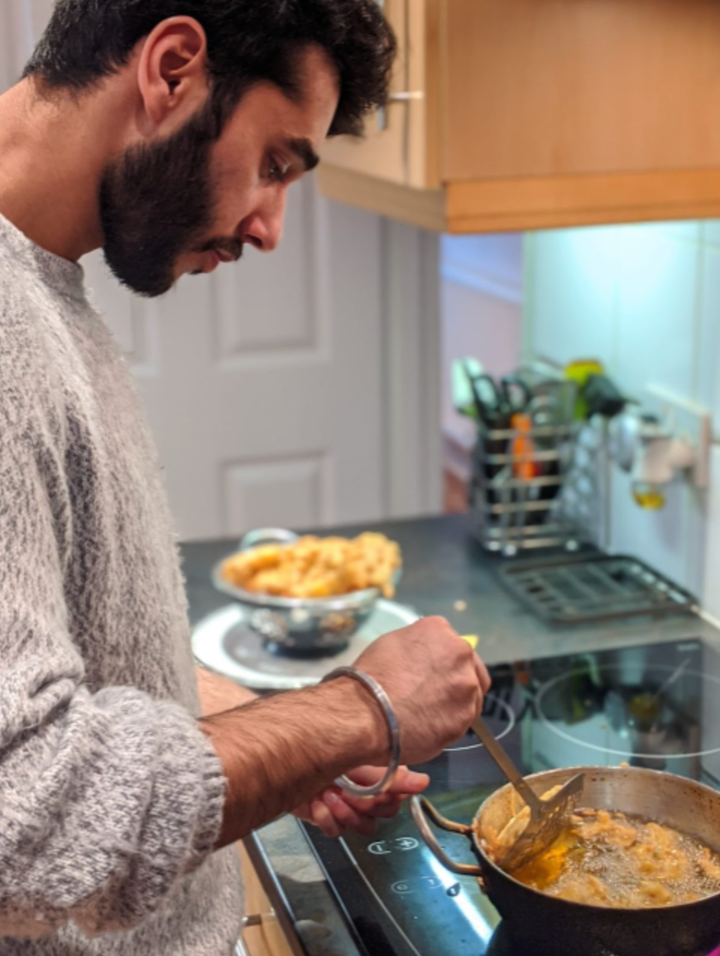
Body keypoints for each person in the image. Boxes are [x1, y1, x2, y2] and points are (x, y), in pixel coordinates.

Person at [0, 1, 491, 953]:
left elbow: (78, 662)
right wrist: (362, 708)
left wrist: (274, 737)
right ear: (173, 67)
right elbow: (29, 825)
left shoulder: (42, 293)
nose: (270, 229)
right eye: (275, 163)